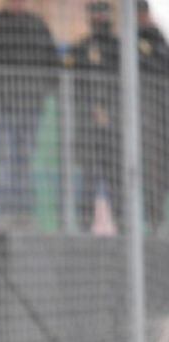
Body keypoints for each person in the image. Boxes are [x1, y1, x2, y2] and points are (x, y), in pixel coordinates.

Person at [0, 0, 59, 228]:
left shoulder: (38, 26)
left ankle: (25, 215)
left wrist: (41, 91)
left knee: (24, 161)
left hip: (30, 107)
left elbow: (52, 65)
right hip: (2, 106)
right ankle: (5, 215)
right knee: (6, 160)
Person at [67, 1, 121, 231]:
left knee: (116, 174)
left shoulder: (119, 48)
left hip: (115, 125)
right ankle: (84, 222)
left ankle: (122, 221)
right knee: (88, 176)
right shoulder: (81, 48)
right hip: (89, 125)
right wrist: (92, 107)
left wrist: (109, 109)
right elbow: (76, 84)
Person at [139, 0, 169, 233]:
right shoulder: (128, 42)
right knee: (150, 171)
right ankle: (153, 219)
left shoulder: (159, 40)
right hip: (145, 120)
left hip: (160, 117)